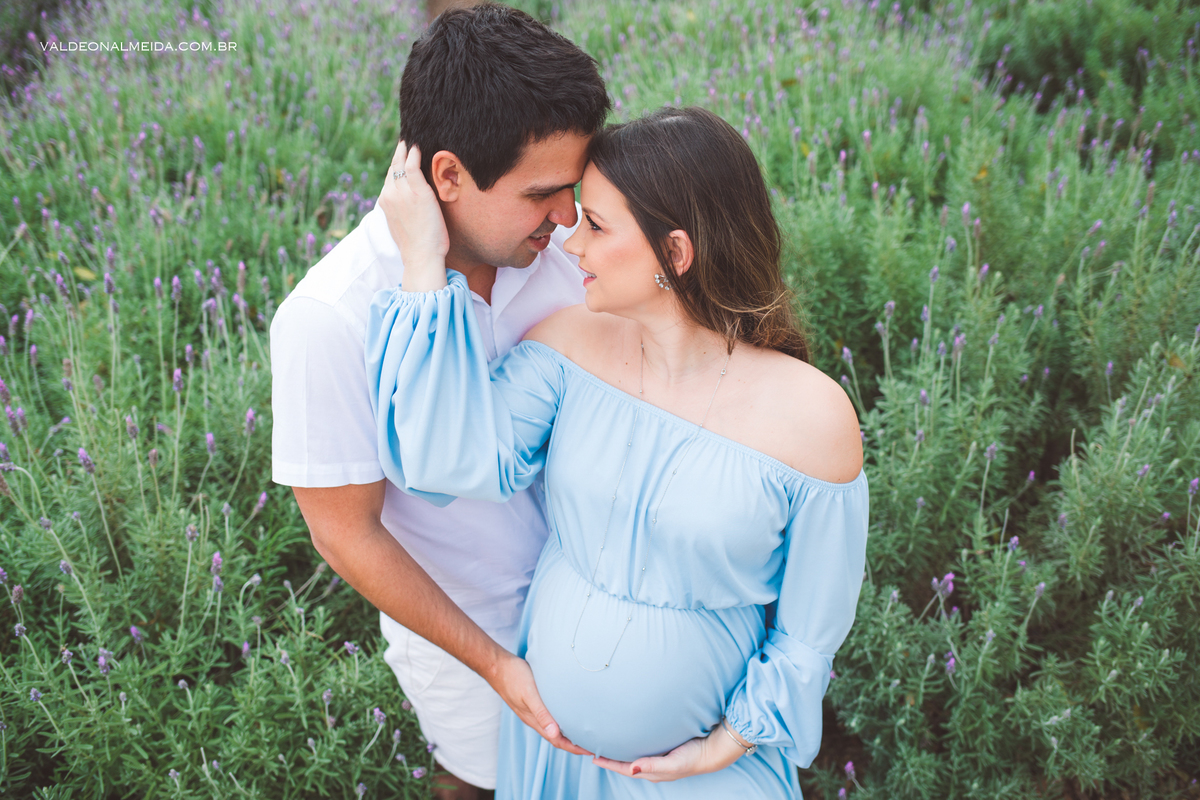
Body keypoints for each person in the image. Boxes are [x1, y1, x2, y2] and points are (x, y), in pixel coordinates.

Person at [366, 106, 869, 799]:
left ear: (676, 254)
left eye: (597, 227)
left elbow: (811, 626)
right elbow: (445, 462)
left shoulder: (813, 417)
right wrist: (424, 262)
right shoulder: (568, 344)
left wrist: (730, 742)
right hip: (551, 760)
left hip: (699, 778)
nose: (571, 245)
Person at [269, 5, 609, 798]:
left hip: (604, 606)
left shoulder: (573, 251)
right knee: (482, 782)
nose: (567, 217)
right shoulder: (330, 317)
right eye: (542, 193)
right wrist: (495, 665)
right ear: (448, 176)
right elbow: (345, 533)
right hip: (471, 640)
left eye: (574, 188)